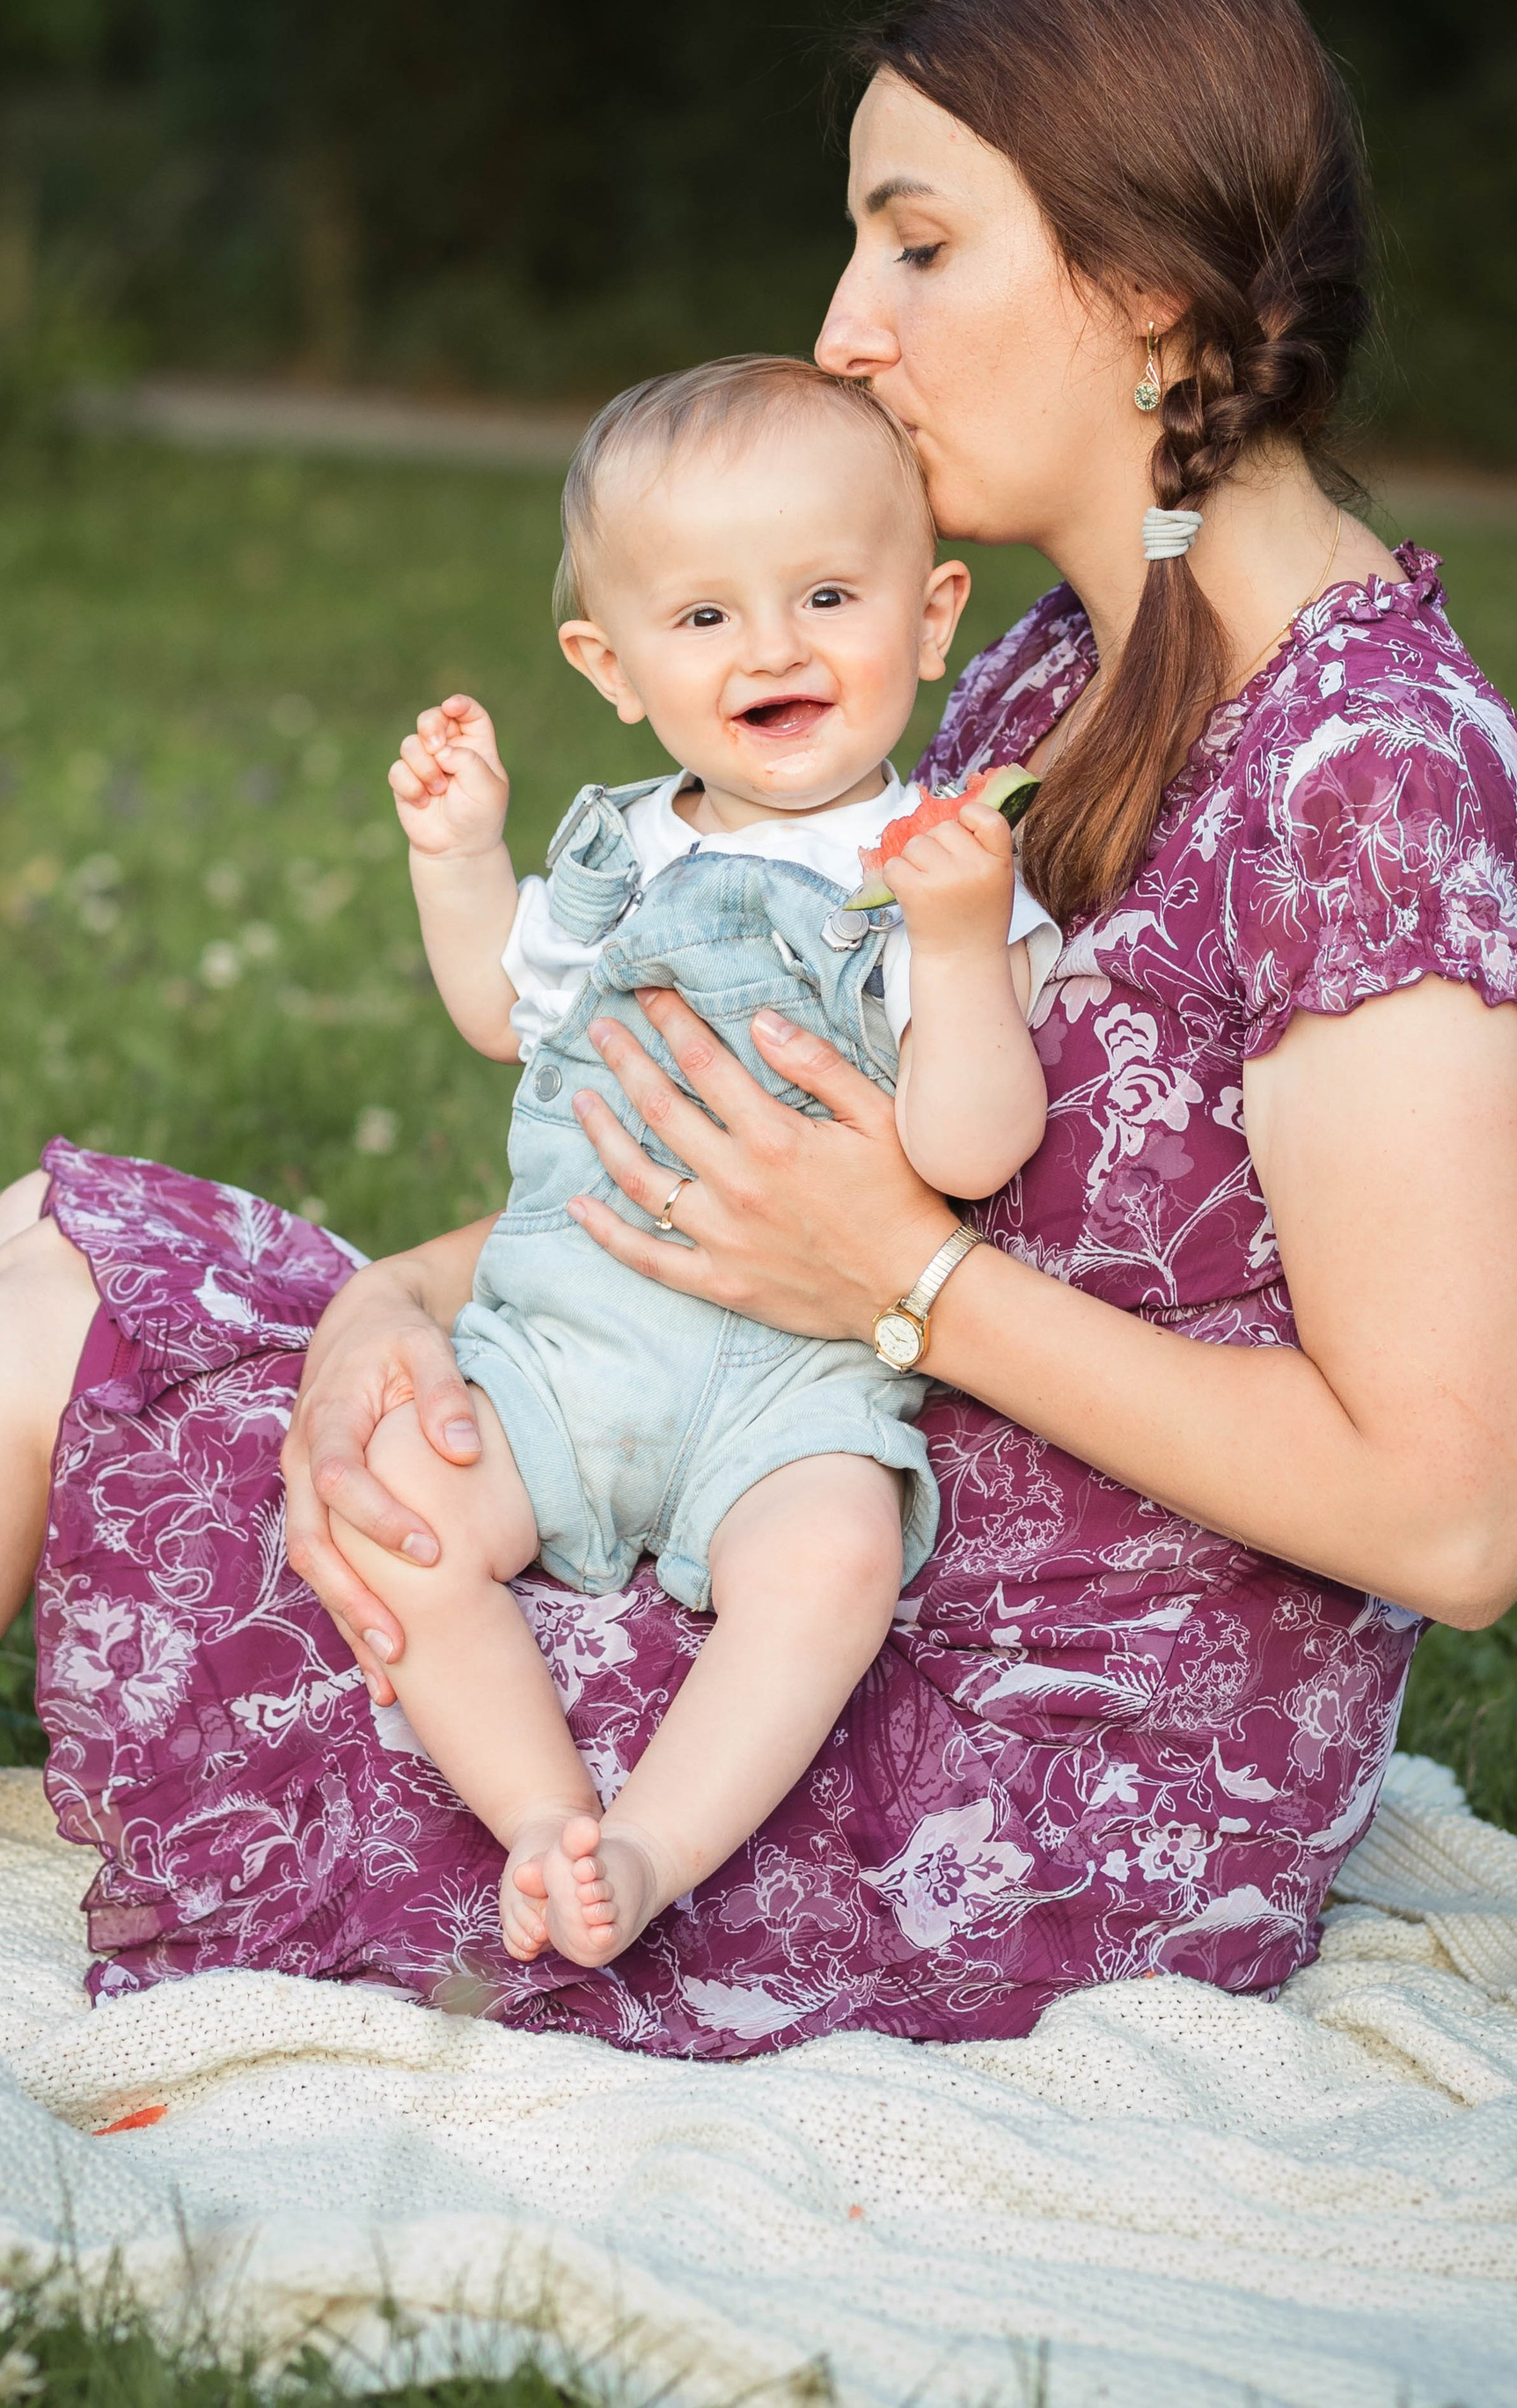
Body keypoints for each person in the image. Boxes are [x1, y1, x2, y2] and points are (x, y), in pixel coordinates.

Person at [0, 0, 1517, 2067]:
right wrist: (388, 1307)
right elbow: (745, 1142)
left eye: (912, 247)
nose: (842, 330)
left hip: (988, 1742)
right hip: (754, 1482)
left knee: (68, 1354)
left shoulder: (1368, 775)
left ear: (1148, 293)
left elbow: (1453, 1509)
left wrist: (907, 1290)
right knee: (68, 1257)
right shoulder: (1058, 673)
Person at [370, 355, 1055, 1970]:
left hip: (788, 1380)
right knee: (405, 1514)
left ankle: (656, 1845)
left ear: (935, 612)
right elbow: (500, 1013)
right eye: (704, 619)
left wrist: (960, 955)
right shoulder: (618, 846)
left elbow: (972, 1149)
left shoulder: (936, 870)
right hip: (565, 1340)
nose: (773, 647)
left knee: (833, 1561)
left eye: (827, 593)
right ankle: (543, 1815)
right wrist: (460, 859)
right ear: (609, 665)